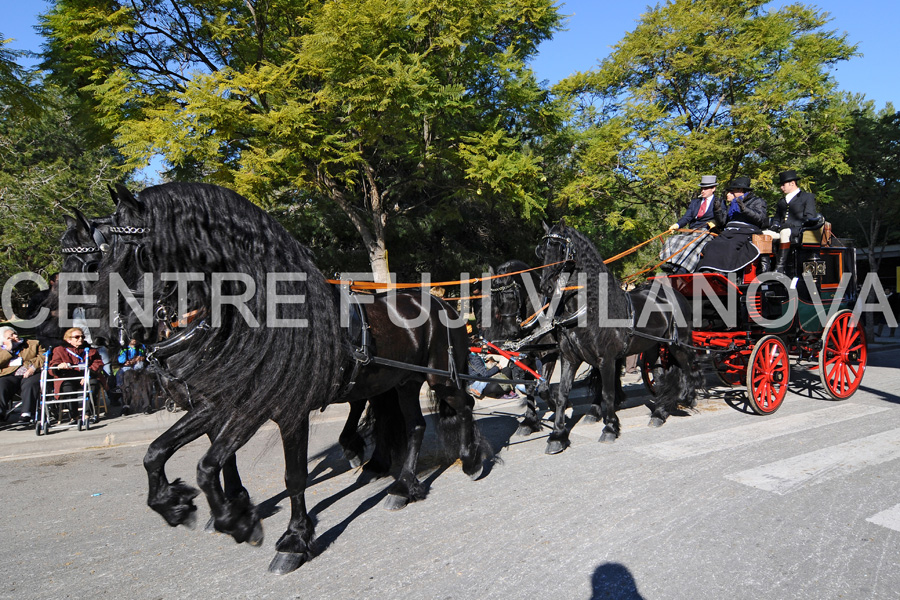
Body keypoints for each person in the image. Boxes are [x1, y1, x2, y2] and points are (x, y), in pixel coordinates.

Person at [696, 177, 768, 273]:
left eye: (732, 191)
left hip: (746, 231)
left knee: (730, 244)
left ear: (740, 190)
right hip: (730, 231)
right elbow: (723, 222)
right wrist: (717, 210)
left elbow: (760, 219)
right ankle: (707, 269)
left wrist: (745, 210)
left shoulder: (757, 201)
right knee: (713, 244)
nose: (729, 194)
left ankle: (722, 271)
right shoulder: (732, 204)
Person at [660, 175, 722, 273]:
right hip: (691, 231)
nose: (702, 191)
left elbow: (722, 217)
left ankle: (684, 269)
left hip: (706, 232)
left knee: (692, 244)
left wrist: (716, 223)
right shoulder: (695, 202)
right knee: (672, 240)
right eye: (702, 188)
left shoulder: (719, 202)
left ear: (713, 188)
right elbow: (687, 217)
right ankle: (671, 264)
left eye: (705, 188)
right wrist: (677, 225)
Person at [762, 169, 820, 274]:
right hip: (783, 230)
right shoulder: (781, 201)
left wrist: (792, 225)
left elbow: (810, 216)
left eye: (783, 185)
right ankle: (764, 268)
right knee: (762, 234)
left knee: (785, 232)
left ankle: (780, 267)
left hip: (799, 230)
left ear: (792, 183)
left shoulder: (807, 197)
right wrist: (774, 226)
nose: (781, 187)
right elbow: (777, 218)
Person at [49, 327, 105, 424]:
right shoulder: (60, 350)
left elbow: (98, 363)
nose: (80, 339)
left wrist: (88, 375)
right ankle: (74, 416)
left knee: (92, 384)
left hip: (86, 376)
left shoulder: (90, 350)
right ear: (68, 339)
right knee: (67, 387)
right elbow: (52, 365)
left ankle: (88, 414)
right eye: (77, 337)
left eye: (82, 337)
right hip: (68, 377)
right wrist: (58, 366)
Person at [0, 326, 46, 423]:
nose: (15, 336)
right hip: (9, 375)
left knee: (30, 384)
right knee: (1, 384)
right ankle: (1, 412)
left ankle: (27, 413)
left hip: (30, 372)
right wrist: (8, 349)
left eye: (15, 333)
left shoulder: (33, 344)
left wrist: (33, 367)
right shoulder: (2, 349)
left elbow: (43, 356)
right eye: (10, 336)